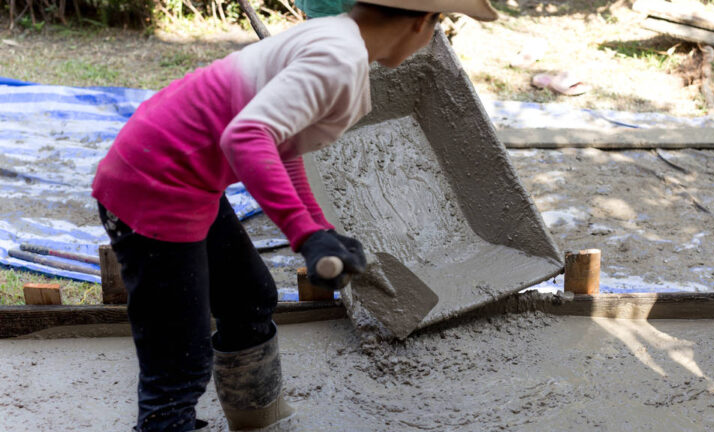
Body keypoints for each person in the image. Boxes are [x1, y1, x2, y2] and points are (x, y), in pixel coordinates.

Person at [92, 1, 498, 431]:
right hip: (153, 184)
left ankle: (257, 420)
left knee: (250, 298)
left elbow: (284, 144)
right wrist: (303, 235)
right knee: (179, 361)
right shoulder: (338, 60)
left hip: (178, 170)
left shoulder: (337, 39)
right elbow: (247, 137)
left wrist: (319, 227)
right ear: (422, 23)